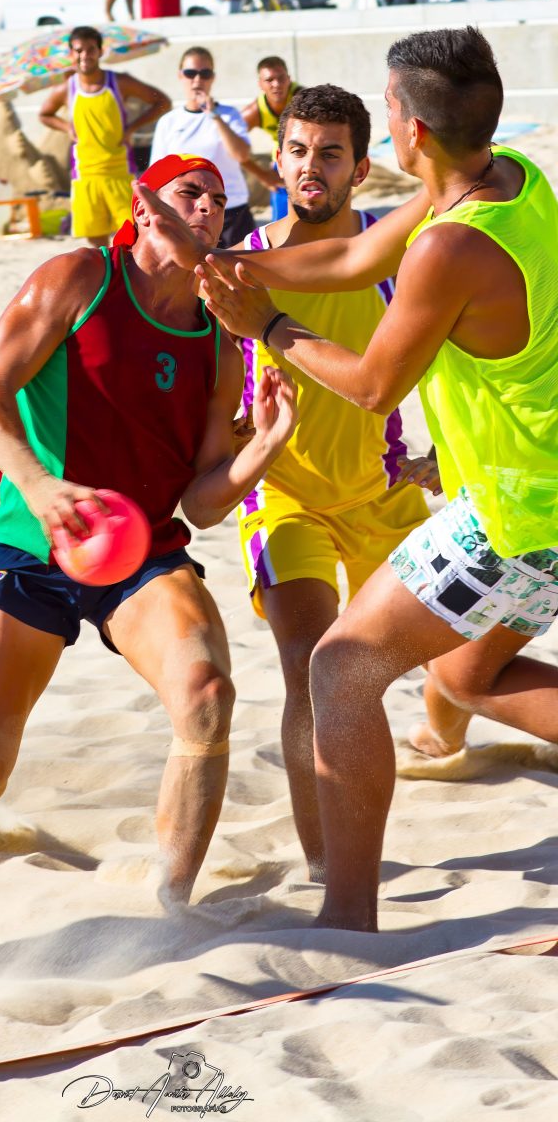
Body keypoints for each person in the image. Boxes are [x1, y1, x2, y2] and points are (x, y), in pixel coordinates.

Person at [138, 26, 558, 932]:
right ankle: (342, 878)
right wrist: (232, 269)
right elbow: (351, 257)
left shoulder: (450, 246)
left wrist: (271, 325)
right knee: (475, 679)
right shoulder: (510, 177)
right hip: (538, 496)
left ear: (402, 135)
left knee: (338, 671)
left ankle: (347, 916)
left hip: (514, 513)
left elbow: (375, 386)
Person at [0, 153, 298, 906]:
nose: (208, 211)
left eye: (220, 203)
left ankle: (170, 900)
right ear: (146, 203)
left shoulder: (222, 339)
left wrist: (262, 446)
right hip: (33, 538)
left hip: (142, 550)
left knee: (208, 693)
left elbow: (204, 503)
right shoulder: (81, 277)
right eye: (191, 193)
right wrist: (38, 484)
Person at [233, 84, 434, 884]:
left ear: (359, 168)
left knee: (458, 671)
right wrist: (235, 436)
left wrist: (436, 453)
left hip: (382, 491)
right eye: (297, 150)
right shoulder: (245, 260)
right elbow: (216, 384)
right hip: (287, 499)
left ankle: (445, 735)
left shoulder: (392, 256)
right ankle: (325, 864)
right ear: (276, 157)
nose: (310, 167)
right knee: (308, 669)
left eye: (330, 153)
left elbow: (441, 365)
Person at [39, 25, 171, 248]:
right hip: (85, 174)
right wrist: (66, 127)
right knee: (97, 243)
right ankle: (110, 279)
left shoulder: (119, 82)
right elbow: (44, 114)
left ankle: (128, 279)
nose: (85, 55)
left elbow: (162, 102)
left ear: (100, 52)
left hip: (119, 170)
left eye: (91, 49)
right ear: (71, 54)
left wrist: (132, 128)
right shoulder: (65, 89)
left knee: (130, 237)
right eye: (79, 50)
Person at [150, 47, 255, 248]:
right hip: (187, 215)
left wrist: (214, 115)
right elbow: (157, 176)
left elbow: (241, 154)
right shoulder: (169, 122)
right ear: (180, 76)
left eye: (204, 74)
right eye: (191, 73)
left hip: (231, 210)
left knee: (240, 275)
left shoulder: (229, 115)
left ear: (212, 78)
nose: (197, 80)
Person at [241, 56, 301, 222]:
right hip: (282, 156)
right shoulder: (254, 112)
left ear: (289, 79)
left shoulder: (302, 99)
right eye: (269, 80)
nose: (276, 84)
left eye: (281, 78)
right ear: (260, 84)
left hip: (309, 155)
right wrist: (262, 175)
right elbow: (228, 145)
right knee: (281, 216)